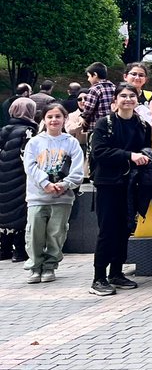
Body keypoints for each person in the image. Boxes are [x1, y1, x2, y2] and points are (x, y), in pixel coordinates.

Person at [88, 83, 152, 296]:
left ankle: (116, 273)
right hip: (108, 184)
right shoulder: (103, 124)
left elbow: (146, 149)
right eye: (123, 96)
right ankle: (99, 277)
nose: (128, 99)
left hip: (130, 184)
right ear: (115, 101)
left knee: (125, 228)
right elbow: (99, 152)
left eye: (132, 96)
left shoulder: (143, 125)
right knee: (108, 230)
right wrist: (129, 156)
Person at [22, 102, 85, 283]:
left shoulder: (71, 142)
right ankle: (35, 266)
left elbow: (77, 169)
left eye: (58, 116)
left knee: (56, 233)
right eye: (50, 117)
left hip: (62, 198)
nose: (54, 120)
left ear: (65, 118)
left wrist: (65, 184)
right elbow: (30, 166)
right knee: (34, 232)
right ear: (44, 119)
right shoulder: (34, 142)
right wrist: (45, 183)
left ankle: (50, 266)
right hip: (38, 196)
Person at [0, 97, 37, 263]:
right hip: (21, 176)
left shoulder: (4, 129)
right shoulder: (28, 130)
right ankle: (20, 250)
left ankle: (4, 248)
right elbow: (28, 156)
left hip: (4, 175)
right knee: (20, 212)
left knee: (5, 210)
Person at [122, 62, 152, 133]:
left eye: (141, 75)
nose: (137, 77)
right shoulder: (117, 95)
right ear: (125, 76)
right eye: (134, 74)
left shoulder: (150, 95)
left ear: (145, 79)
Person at [78, 63, 115, 135]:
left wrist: (82, 116)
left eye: (89, 76)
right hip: (112, 124)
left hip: (97, 125)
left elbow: (89, 108)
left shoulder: (94, 89)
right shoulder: (114, 87)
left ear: (95, 75)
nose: (88, 79)